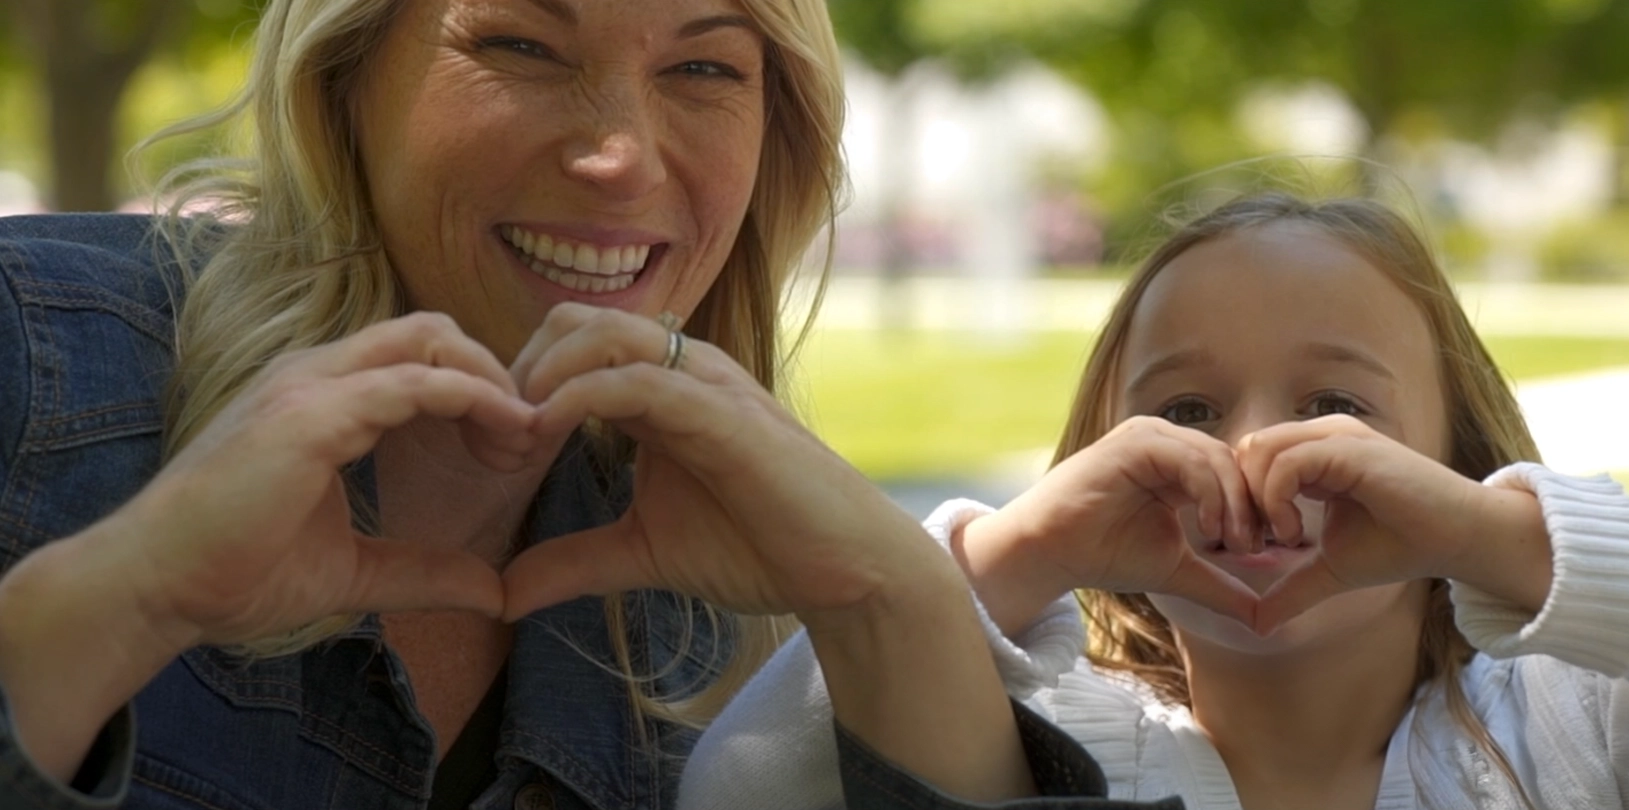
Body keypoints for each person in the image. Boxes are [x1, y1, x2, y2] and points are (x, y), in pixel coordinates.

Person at [0, 1, 1190, 808]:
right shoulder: (31, 346)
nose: (620, 156)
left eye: (702, 68)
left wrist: (896, 604)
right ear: (344, 80)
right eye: (520, 44)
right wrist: (128, 598)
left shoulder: (721, 606)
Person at [678, 192, 1629, 809]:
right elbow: (742, 788)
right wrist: (1011, 558)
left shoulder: (1589, 723)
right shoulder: (1038, 740)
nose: (1253, 452)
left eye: (1335, 405)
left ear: (1452, 458)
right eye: (1187, 408)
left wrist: (1497, 537)